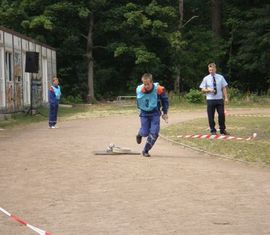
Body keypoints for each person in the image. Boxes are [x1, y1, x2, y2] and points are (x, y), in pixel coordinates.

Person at [136, 73, 169, 157]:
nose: (146, 86)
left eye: (148, 84)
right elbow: (139, 101)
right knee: (145, 132)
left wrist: (165, 112)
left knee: (154, 133)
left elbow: (165, 101)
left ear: (152, 82)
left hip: (155, 113)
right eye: (144, 84)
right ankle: (140, 134)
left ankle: (145, 150)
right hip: (144, 113)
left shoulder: (159, 89)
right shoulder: (140, 89)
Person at [199, 63, 229, 135]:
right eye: (209, 70)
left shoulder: (221, 77)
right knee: (210, 116)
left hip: (219, 99)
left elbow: (224, 87)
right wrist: (208, 90)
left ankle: (222, 130)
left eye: (212, 70)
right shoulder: (206, 78)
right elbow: (202, 89)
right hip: (210, 100)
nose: (211, 71)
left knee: (221, 114)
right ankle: (213, 130)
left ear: (215, 69)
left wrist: (226, 97)